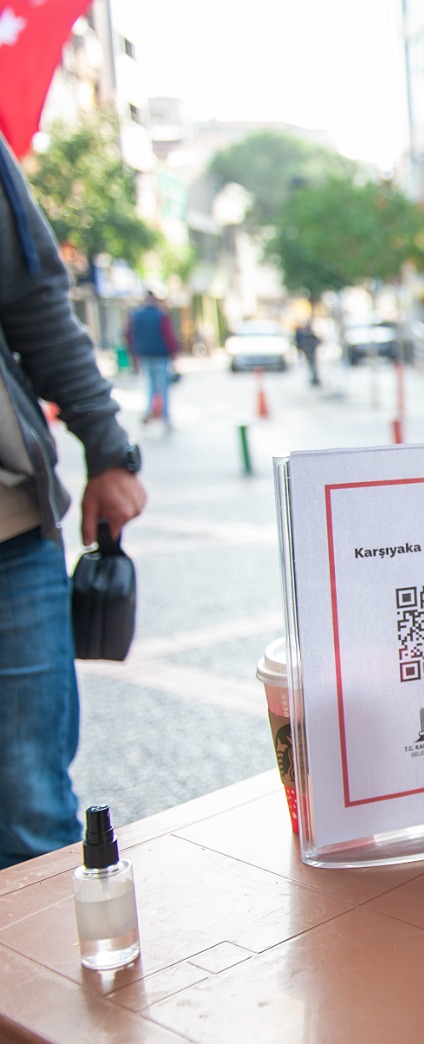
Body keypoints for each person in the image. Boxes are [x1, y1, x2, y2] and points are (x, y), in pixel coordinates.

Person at [0, 137, 146, 868]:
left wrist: (108, 450)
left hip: (7, 525)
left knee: (28, 801)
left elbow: (33, 306)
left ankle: (43, 977)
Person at [125, 291, 179, 427]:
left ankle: (149, 411)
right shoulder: (161, 315)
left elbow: (130, 335)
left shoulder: (136, 315)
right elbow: (168, 335)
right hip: (160, 355)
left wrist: (134, 354)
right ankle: (165, 417)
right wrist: (174, 353)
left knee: (150, 385)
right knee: (163, 386)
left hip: (144, 354)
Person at [293, 319, 321, 386]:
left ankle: (313, 376)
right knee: (310, 363)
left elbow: (317, 341)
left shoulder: (307, 334)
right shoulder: (303, 334)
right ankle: (312, 376)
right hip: (308, 351)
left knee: (311, 364)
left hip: (310, 351)